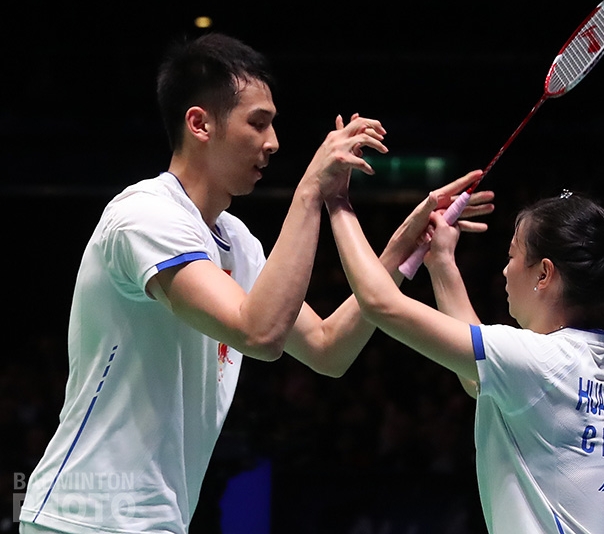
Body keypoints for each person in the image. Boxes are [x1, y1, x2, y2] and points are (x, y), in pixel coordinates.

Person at [18, 32, 494, 534]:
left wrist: (401, 249)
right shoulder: (145, 217)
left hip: (154, 521)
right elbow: (258, 333)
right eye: (258, 123)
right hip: (82, 517)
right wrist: (310, 191)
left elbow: (328, 348)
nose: (273, 142)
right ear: (200, 124)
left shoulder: (236, 241)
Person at [324, 184, 604, 533]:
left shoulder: (541, 361)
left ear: (544, 273)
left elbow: (379, 303)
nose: (505, 271)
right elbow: (479, 380)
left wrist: (337, 201)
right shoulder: (603, 364)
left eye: (512, 256)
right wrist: (441, 261)